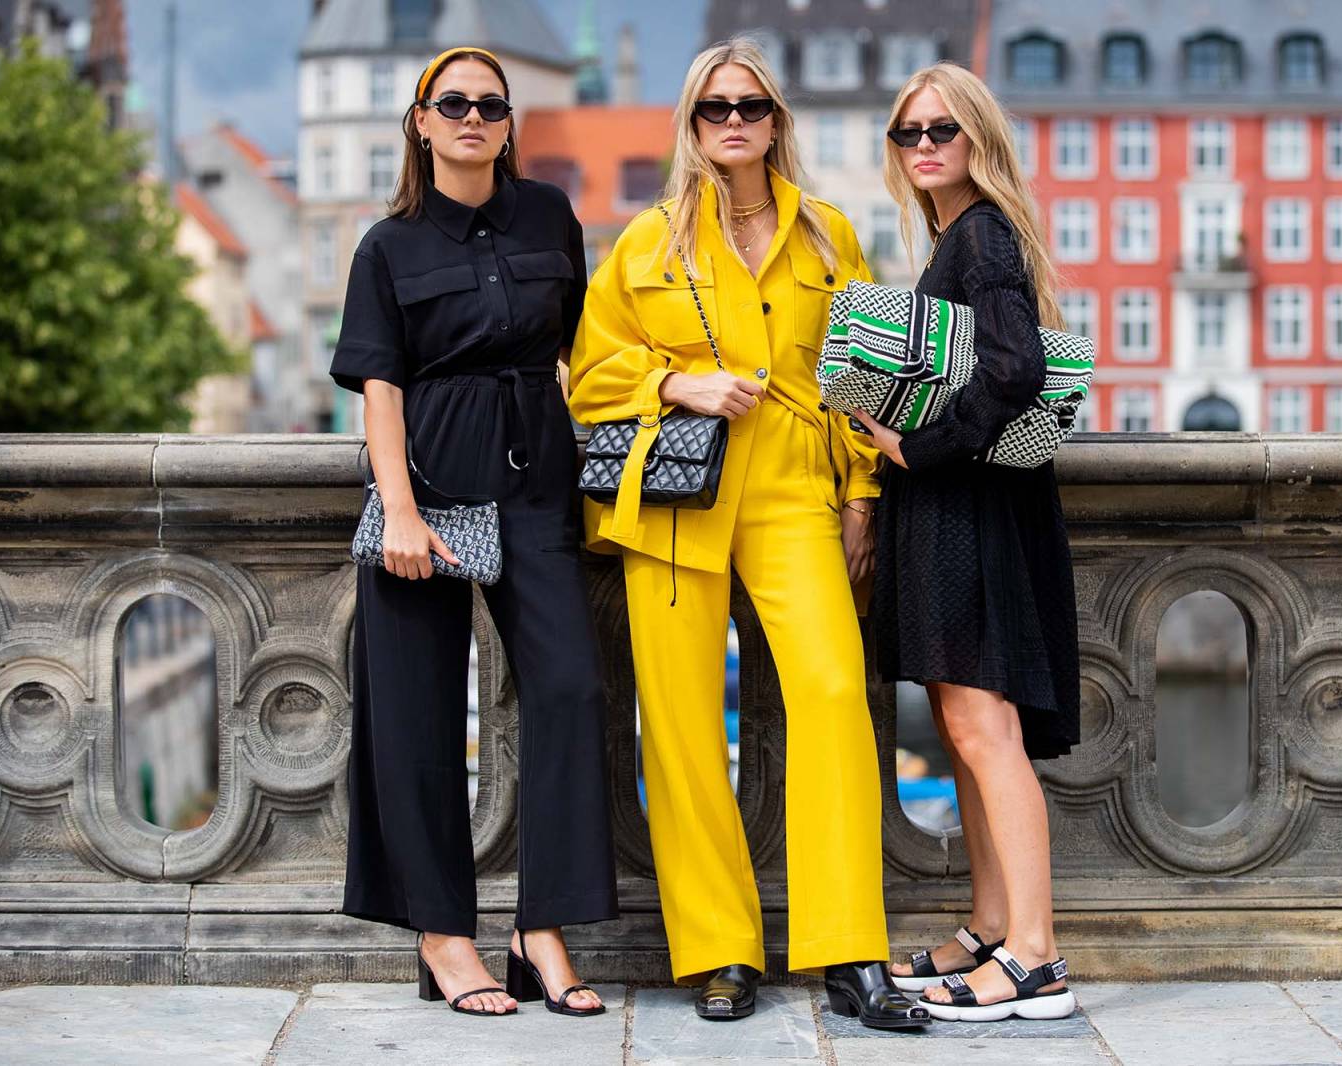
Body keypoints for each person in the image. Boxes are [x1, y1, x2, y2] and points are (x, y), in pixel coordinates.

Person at [568, 38, 929, 1031]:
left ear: (777, 119)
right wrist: (674, 382)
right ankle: (718, 949)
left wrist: (861, 502)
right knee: (682, 726)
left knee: (828, 696)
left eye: (751, 105)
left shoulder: (828, 236)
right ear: (689, 123)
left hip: (792, 491)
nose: (733, 121)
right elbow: (589, 373)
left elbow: (860, 380)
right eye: (714, 107)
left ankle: (849, 949)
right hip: (677, 501)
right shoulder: (645, 242)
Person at [331, 46, 617, 1019]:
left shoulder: (548, 217)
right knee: (413, 714)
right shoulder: (387, 245)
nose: (471, 116)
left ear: (508, 124)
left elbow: (580, 352)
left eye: (489, 105)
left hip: (538, 479)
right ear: (420, 121)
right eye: (450, 102)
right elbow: (379, 387)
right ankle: (445, 938)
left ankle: (543, 930)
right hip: (430, 484)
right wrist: (400, 509)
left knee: (572, 688)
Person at [855, 62, 1080, 1023]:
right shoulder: (963, 233)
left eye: (941, 129)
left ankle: (1035, 957)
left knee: (987, 733)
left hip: (971, 510)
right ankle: (991, 929)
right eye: (908, 135)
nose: (924, 147)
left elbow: (1016, 368)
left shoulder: (982, 232)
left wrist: (918, 445)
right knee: (963, 728)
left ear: (979, 137)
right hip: (969, 509)